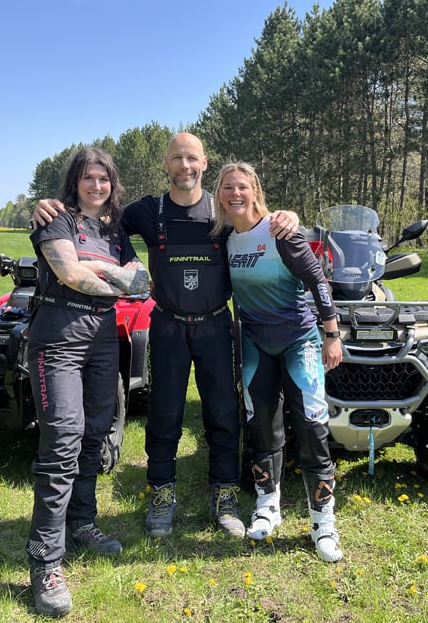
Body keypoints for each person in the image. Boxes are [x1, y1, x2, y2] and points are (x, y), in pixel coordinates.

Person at [32, 133, 299, 540]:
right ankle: (161, 492)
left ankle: (225, 495)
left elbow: (261, 218)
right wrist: (47, 206)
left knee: (223, 413)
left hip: (215, 325)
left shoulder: (223, 208)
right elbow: (94, 217)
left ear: (204, 163)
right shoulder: (146, 211)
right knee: (164, 413)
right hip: (168, 325)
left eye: (192, 158)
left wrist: (289, 216)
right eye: (177, 158)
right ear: (166, 163)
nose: (184, 166)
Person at [26, 147, 149, 617]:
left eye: (104, 179)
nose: (97, 186)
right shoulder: (55, 219)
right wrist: (108, 276)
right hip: (58, 337)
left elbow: (141, 281)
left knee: (96, 434)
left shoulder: (115, 231)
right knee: (62, 440)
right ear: (75, 181)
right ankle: (45, 561)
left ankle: (81, 523)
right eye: (88, 178)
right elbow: (68, 273)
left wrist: (98, 268)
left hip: (102, 339)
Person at [213, 161, 344, 562]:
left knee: (312, 429)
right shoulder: (225, 239)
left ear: (255, 190)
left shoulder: (280, 231)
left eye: (242, 186)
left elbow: (317, 280)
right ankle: (267, 506)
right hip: (255, 346)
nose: (235, 194)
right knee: (262, 429)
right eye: (227, 187)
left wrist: (332, 335)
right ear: (219, 195)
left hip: (298, 343)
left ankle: (323, 522)